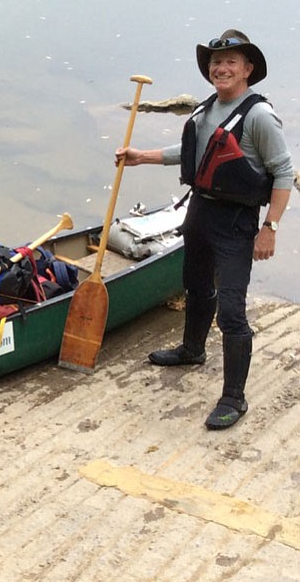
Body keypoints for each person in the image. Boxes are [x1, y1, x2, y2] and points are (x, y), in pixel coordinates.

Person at [115, 30, 294, 430]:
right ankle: (193, 349)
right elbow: (197, 152)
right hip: (199, 212)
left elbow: (283, 172)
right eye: (216, 61)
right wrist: (141, 156)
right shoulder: (206, 108)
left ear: (248, 69)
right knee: (196, 286)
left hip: (236, 223)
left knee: (231, 310)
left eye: (231, 61)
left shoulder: (259, 116)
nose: (221, 67)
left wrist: (271, 228)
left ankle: (234, 397)